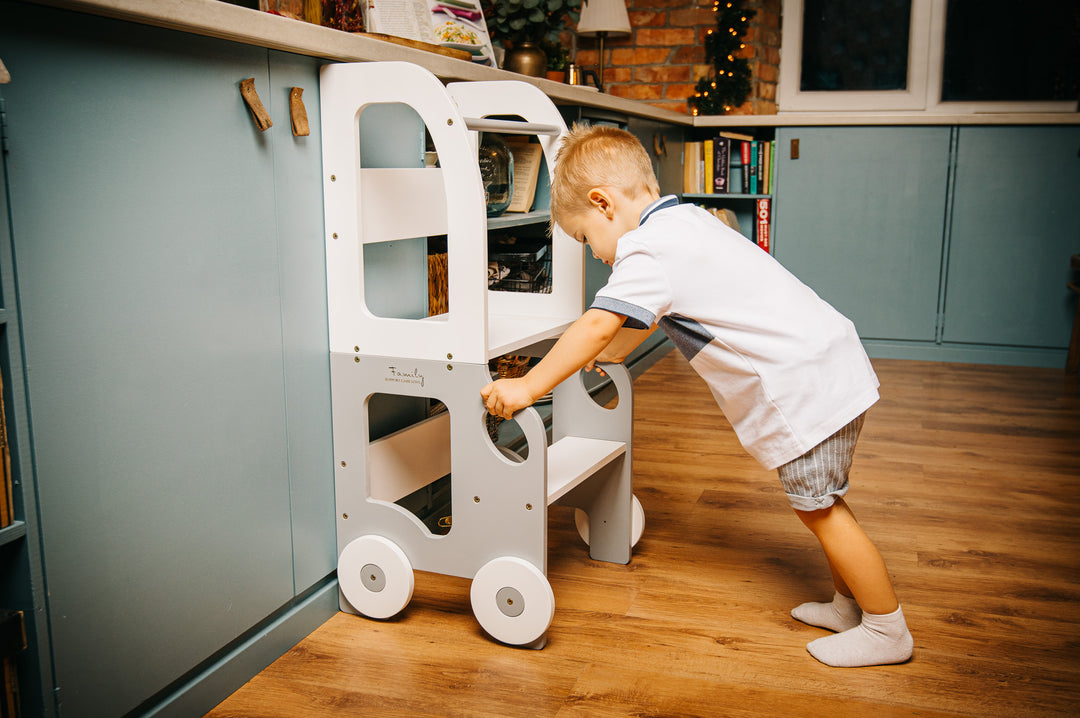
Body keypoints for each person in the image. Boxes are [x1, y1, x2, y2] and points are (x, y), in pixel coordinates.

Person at [480, 124, 913, 668]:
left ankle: (885, 629)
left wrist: (526, 385)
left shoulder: (647, 250)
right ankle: (850, 606)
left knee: (820, 509)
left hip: (804, 386)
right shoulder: (683, 221)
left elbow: (596, 324)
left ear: (603, 203)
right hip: (827, 365)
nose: (595, 255)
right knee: (822, 500)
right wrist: (614, 353)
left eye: (587, 238)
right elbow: (648, 318)